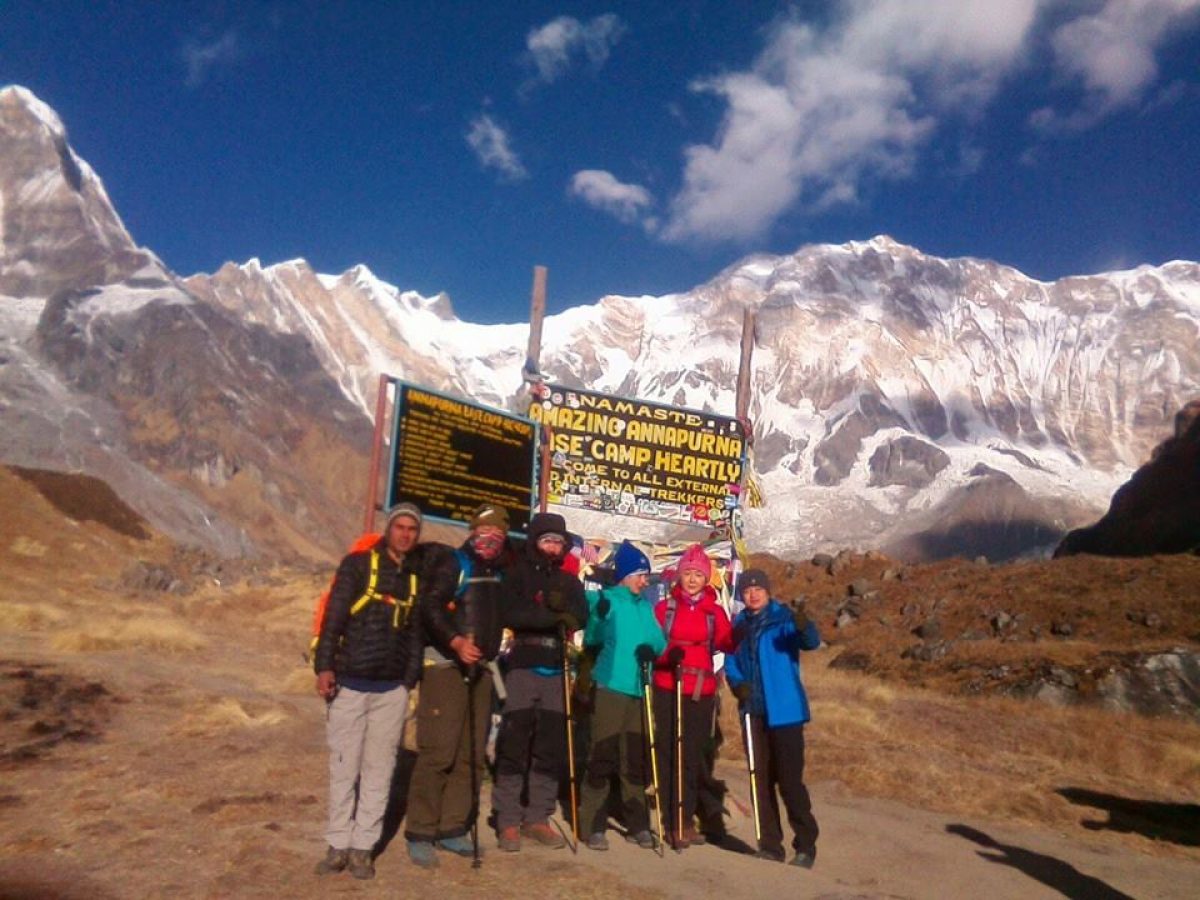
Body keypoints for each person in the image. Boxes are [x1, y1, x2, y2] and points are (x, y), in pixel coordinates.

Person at [312, 502, 433, 880]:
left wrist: (408, 681)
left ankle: (363, 847)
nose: (406, 534)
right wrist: (325, 667)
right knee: (344, 767)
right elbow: (334, 619)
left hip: (391, 691)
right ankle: (337, 845)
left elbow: (416, 636)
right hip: (349, 682)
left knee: (380, 769)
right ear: (388, 529)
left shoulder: (416, 579)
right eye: (400, 527)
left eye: (412, 529)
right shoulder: (357, 566)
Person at [404, 504, 509, 868]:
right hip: (446, 667)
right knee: (439, 750)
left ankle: (452, 827)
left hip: (481, 670)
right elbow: (430, 607)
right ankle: (420, 830)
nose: (490, 539)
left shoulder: (496, 572)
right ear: (472, 532)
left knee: (470, 753)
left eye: (497, 534)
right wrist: (456, 642)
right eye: (484, 532)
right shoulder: (455, 563)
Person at [492, 512, 589, 851]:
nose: (553, 547)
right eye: (548, 540)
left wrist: (565, 616)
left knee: (549, 747)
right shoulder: (516, 574)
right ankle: (507, 819)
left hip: (556, 667)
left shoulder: (570, 581)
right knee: (514, 742)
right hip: (522, 664)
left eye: (559, 542)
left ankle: (538, 817)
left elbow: (581, 615)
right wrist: (551, 616)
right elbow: (509, 613)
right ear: (535, 541)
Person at [724, 569, 821, 868]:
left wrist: (805, 626)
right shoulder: (738, 625)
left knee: (789, 781)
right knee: (760, 781)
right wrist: (737, 682)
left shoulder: (783, 619)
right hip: (752, 711)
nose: (753, 594)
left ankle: (805, 845)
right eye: (747, 590)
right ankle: (770, 845)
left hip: (785, 712)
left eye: (758, 589)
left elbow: (809, 641)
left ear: (768, 591)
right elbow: (730, 659)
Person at [578, 540, 667, 851]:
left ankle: (638, 823)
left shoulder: (644, 606)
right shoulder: (608, 600)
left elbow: (659, 642)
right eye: (641, 575)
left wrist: (652, 651)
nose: (645, 581)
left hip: (639, 689)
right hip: (611, 685)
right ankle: (592, 824)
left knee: (635, 759)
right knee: (602, 754)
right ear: (627, 575)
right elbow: (592, 639)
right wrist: (599, 617)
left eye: (646, 576)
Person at [651, 544, 734, 849]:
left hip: (700, 692)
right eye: (688, 573)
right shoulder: (664, 609)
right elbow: (652, 646)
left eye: (698, 574)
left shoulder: (714, 611)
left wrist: (744, 631)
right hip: (667, 686)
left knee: (693, 756)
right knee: (669, 752)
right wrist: (663, 657)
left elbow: (728, 642)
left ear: (707, 578)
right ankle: (672, 821)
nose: (692, 579)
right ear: (680, 575)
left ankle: (685, 820)